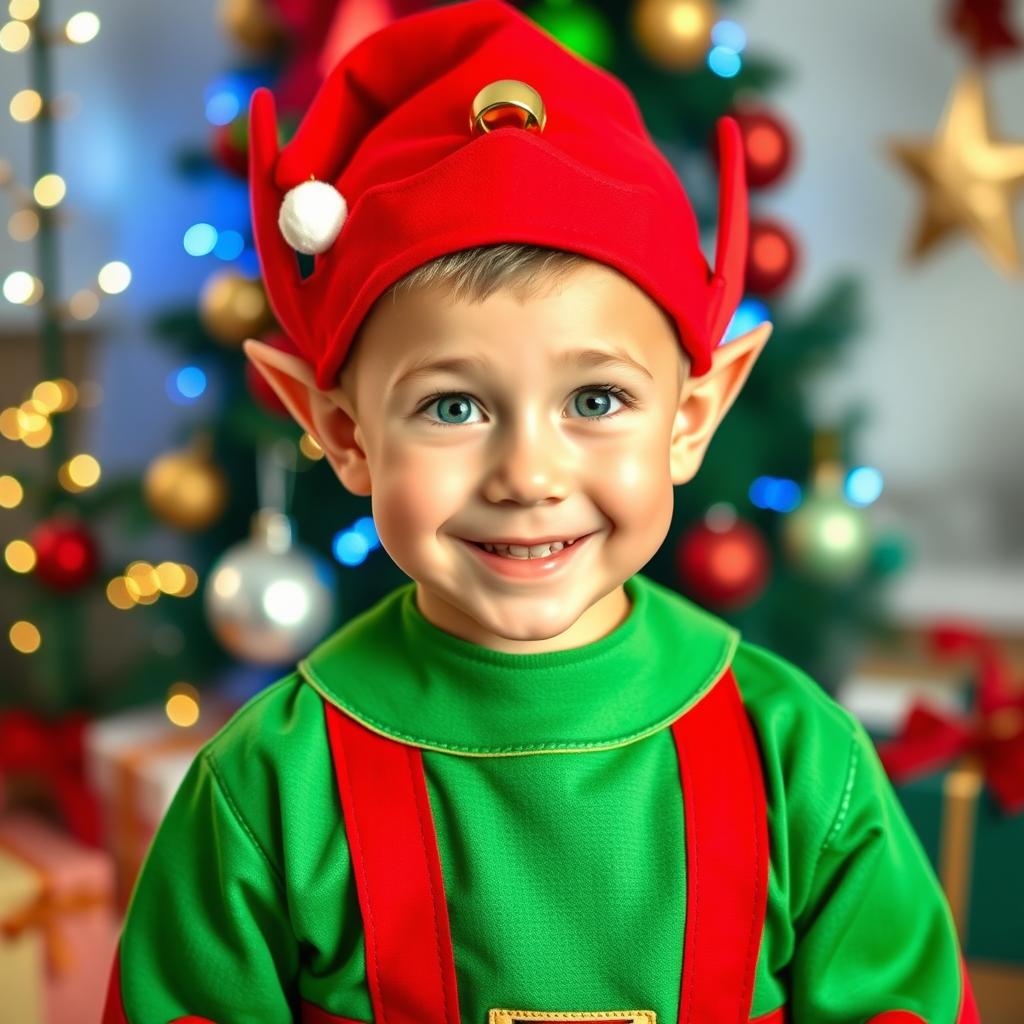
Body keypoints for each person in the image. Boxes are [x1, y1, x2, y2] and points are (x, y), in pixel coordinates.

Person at [103, 2, 980, 1021]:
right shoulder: (262, 791)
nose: (527, 473)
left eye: (595, 400)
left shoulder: (800, 759)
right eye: (452, 406)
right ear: (340, 432)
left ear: (692, 416)